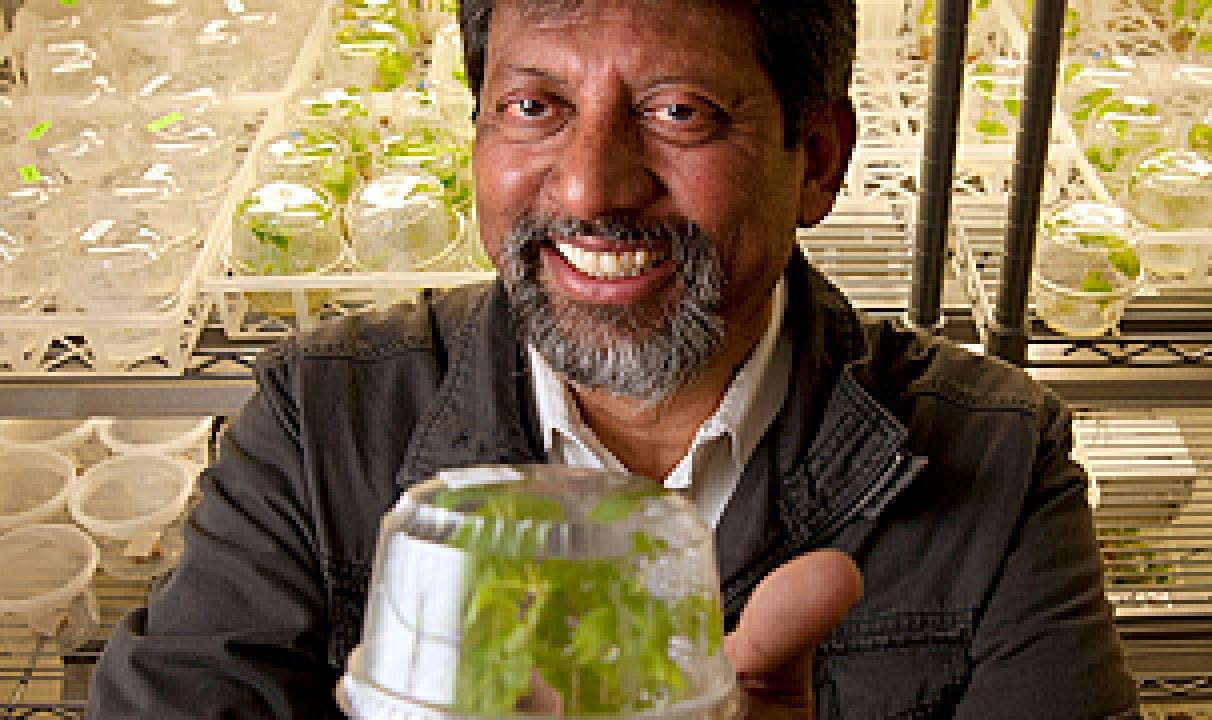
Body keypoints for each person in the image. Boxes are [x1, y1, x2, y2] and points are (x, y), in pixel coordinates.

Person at [88, 0, 1140, 717]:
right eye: (534, 108)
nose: (588, 188)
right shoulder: (324, 419)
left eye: (676, 112)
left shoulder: (998, 462)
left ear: (815, 160)